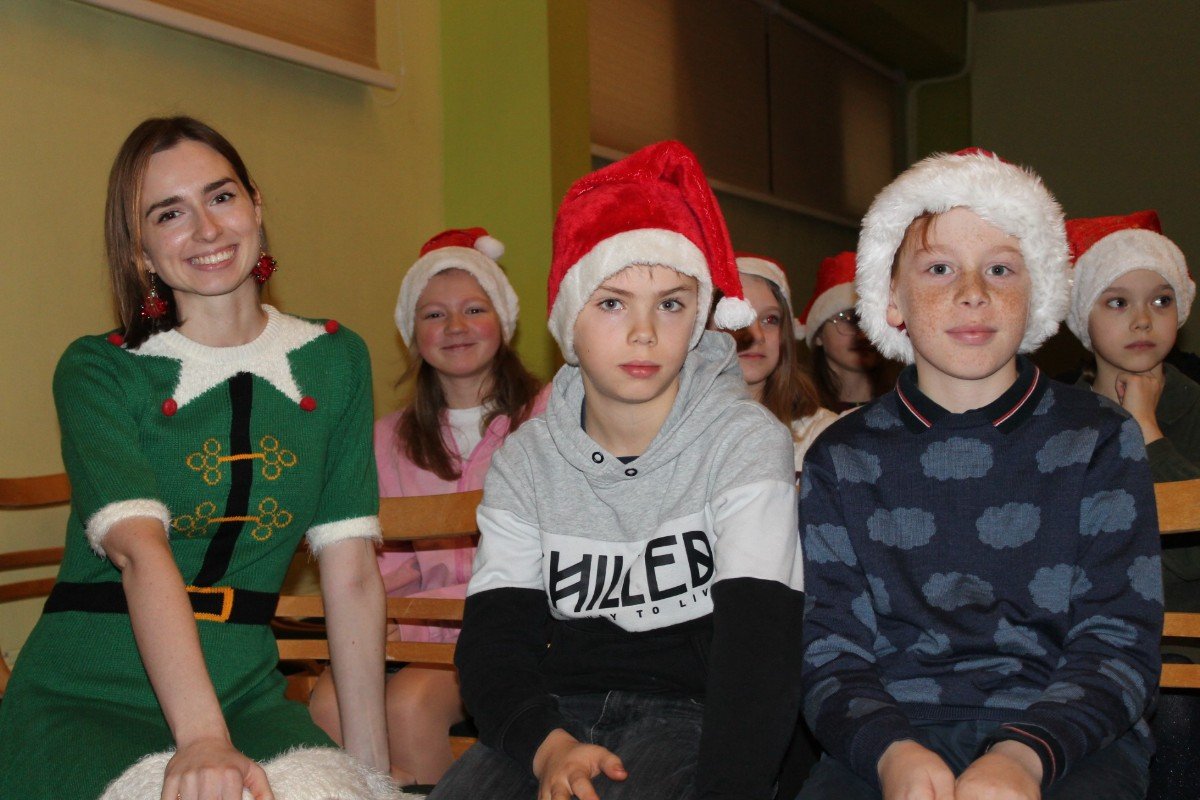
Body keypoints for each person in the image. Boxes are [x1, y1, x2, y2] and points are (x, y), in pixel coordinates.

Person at [0, 117, 388, 800]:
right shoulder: (98, 370)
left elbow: (352, 573)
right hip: (85, 699)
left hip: (247, 695)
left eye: (221, 197)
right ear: (141, 249)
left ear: (256, 206)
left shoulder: (337, 360)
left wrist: (373, 774)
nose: (207, 229)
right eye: (170, 213)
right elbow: (139, 552)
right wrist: (203, 740)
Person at [429, 141, 805, 800]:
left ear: (700, 316)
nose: (644, 332)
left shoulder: (745, 443)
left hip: (697, 715)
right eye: (611, 303)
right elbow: (494, 645)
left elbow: (760, 655)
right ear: (567, 321)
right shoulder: (527, 460)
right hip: (556, 719)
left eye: (671, 304)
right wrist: (547, 748)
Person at [797, 148, 1163, 800]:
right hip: (891, 737)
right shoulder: (841, 457)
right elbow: (831, 654)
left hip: (1067, 736)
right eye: (939, 268)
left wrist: (1025, 756)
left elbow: (1119, 644)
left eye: (1000, 268)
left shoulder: (1100, 439)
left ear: (1038, 292)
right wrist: (891, 754)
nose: (973, 292)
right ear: (892, 299)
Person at [308, 227, 544, 789]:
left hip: (521, 630)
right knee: (327, 702)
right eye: (434, 315)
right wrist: (394, 621)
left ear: (504, 322)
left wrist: (425, 622)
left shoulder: (549, 417)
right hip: (420, 635)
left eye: (474, 309)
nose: (455, 326)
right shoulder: (387, 439)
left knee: (411, 703)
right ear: (412, 334)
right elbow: (386, 565)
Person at [1063, 210, 1200, 792]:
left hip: (1181, 653)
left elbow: (1192, 558)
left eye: (1161, 301)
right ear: (1083, 318)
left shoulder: (1195, 410)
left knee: (1173, 714)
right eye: (1117, 302)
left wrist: (1147, 432)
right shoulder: (1058, 422)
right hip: (1079, 648)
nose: (1143, 319)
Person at [732, 253, 837, 474]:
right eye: (739, 318)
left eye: (770, 320)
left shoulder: (822, 435)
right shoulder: (672, 430)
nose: (756, 335)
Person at [799, 251, 891, 412]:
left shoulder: (904, 406)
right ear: (818, 335)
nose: (863, 334)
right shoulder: (800, 414)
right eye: (849, 319)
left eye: (872, 321)